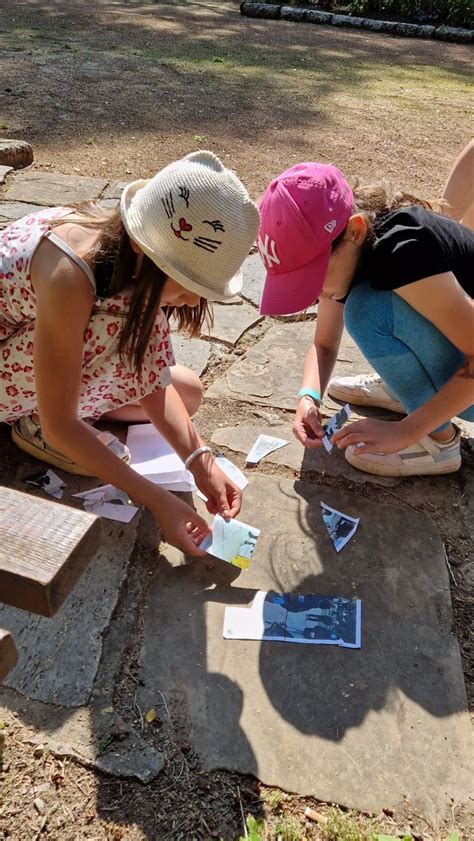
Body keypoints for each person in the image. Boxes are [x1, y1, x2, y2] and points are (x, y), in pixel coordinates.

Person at [0, 150, 259, 551]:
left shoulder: (122, 256)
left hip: (29, 358)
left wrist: (200, 462)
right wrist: (158, 501)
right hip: (12, 365)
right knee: (110, 347)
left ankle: (46, 408)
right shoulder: (70, 274)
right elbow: (65, 423)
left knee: (184, 389)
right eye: (188, 284)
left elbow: (152, 379)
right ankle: (36, 420)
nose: (192, 302)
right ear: (144, 250)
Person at [257, 148, 474, 477]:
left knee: (366, 310)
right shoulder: (349, 247)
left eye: (312, 276)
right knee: (364, 305)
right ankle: (407, 389)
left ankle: (437, 443)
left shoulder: (405, 251)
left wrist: (406, 431)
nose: (312, 293)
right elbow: (324, 344)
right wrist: (308, 398)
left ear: (355, 232)